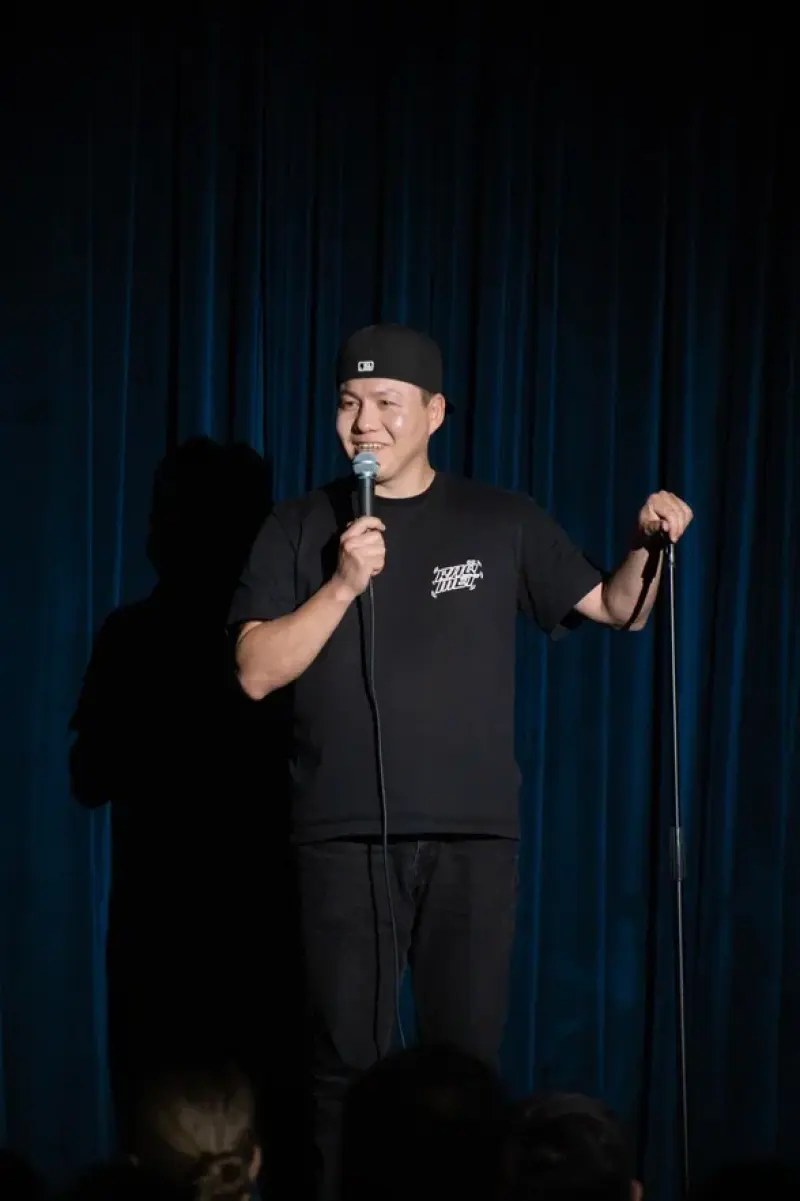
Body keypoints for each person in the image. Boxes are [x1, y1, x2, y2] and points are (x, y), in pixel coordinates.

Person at [226, 323, 693, 1200]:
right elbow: (255, 672)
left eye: (387, 404)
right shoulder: (297, 526)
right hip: (343, 839)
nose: (365, 423)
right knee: (342, 1070)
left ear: (434, 413)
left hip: (475, 844)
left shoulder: (499, 517)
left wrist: (648, 543)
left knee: (466, 1073)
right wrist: (339, 585)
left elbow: (621, 608)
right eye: (349, 403)